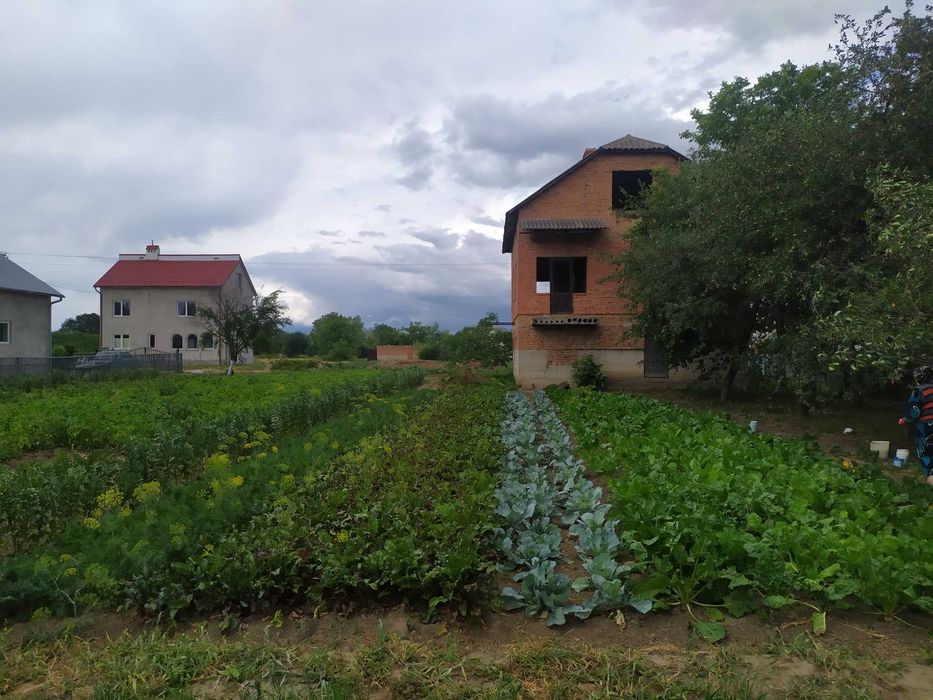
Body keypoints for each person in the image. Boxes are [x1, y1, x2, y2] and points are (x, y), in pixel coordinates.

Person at [899, 365, 933, 483]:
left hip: (925, 426)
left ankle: (930, 479)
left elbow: (914, 409)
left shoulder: (920, 390)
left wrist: (906, 419)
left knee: (925, 450)